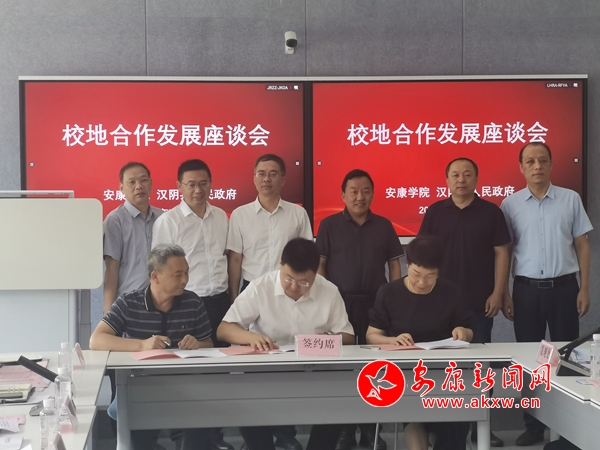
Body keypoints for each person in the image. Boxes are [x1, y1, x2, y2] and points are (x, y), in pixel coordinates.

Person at [217, 238, 355, 450]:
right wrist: (250, 337)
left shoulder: (329, 291)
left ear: (316, 273)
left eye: (304, 282)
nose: (294, 287)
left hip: (313, 371)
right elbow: (224, 329)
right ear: (280, 264)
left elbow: (348, 337)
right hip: (265, 372)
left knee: (338, 401)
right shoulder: (260, 287)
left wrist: (321, 340)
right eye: (288, 278)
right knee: (244, 401)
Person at [500, 142, 592, 447]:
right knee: (530, 360)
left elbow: (582, 245)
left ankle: (569, 429)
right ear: (521, 167)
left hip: (565, 289)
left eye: (542, 160)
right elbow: (506, 251)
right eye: (530, 161)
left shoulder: (570, 198)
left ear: (551, 164)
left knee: (569, 358)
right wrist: (505, 293)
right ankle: (534, 425)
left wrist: (585, 287)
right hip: (525, 291)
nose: (537, 166)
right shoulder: (510, 204)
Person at [419, 157, 510, 447]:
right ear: (447, 180)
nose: (461, 180)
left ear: (476, 178)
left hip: (479, 302)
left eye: (467, 174)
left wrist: (498, 292)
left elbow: (502, 253)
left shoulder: (491, 212)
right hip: (439, 305)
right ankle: (443, 428)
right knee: (443, 368)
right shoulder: (435, 212)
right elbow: (422, 254)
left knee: (480, 367)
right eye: (455, 175)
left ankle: (481, 427)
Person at [90, 244, 213, 450]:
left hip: (185, 387)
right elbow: (96, 340)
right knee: (135, 439)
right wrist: (142, 345)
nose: (185, 280)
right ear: (155, 277)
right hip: (139, 387)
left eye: (187, 273)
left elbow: (208, 343)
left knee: (199, 427)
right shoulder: (129, 302)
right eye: (178, 275)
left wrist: (198, 344)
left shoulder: (193, 302)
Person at [227, 153, 312, 450]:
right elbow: (235, 260)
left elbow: (308, 257)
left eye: (273, 173)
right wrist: (234, 297)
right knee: (254, 367)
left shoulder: (297, 214)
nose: (266, 179)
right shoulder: (240, 215)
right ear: (254, 177)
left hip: (289, 292)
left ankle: (286, 434)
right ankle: (257, 438)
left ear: (283, 178)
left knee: (286, 365)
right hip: (252, 293)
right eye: (261, 173)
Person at [315, 169, 403, 450]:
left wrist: (395, 299)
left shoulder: (384, 225)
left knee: (375, 368)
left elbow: (394, 265)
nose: (359, 197)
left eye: (365, 191)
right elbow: (320, 267)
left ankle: (371, 431)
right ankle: (344, 430)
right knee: (341, 368)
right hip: (340, 306)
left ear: (373, 194)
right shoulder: (329, 225)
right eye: (353, 191)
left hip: (376, 305)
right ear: (343, 195)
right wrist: (322, 303)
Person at [152, 159, 233, 450]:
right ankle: (183, 440)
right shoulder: (169, 222)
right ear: (179, 187)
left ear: (211, 185)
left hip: (219, 302)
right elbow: (161, 269)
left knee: (218, 374)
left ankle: (215, 438)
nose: (198, 190)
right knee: (186, 374)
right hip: (185, 304)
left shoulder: (221, 216)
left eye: (203, 184)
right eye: (191, 184)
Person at [366, 236, 473, 450]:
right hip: (405, 374)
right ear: (407, 265)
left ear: (438, 272)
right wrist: (392, 340)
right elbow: (372, 335)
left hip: (444, 373)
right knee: (414, 411)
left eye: (430, 276)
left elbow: (468, 332)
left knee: (459, 410)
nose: (422, 282)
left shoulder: (450, 291)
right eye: (416, 274)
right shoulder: (389, 292)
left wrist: (462, 332)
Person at [103, 161, 163, 315]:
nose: (139, 186)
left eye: (143, 180)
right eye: (132, 182)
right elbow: (111, 269)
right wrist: (108, 314)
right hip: (129, 303)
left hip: (162, 301)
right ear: (122, 188)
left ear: (151, 184)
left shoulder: (163, 218)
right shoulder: (115, 220)